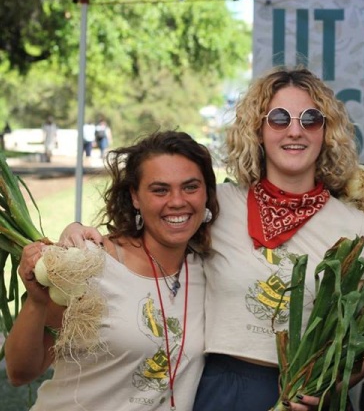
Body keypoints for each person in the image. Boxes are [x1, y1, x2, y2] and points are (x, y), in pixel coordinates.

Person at [58, 67, 364, 411]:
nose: (295, 130)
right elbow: (148, 231)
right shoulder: (218, 205)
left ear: (326, 131)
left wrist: (333, 384)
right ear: (258, 130)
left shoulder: (357, 228)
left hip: (311, 396)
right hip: (226, 390)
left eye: (310, 119)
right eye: (279, 118)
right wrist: (77, 233)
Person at [5, 130, 219, 410]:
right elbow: (20, 372)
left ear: (207, 193)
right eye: (160, 189)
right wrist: (36, 301)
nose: (177, 201)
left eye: (190, 187)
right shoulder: (92, 265)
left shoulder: (209, 270)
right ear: (135, 197)